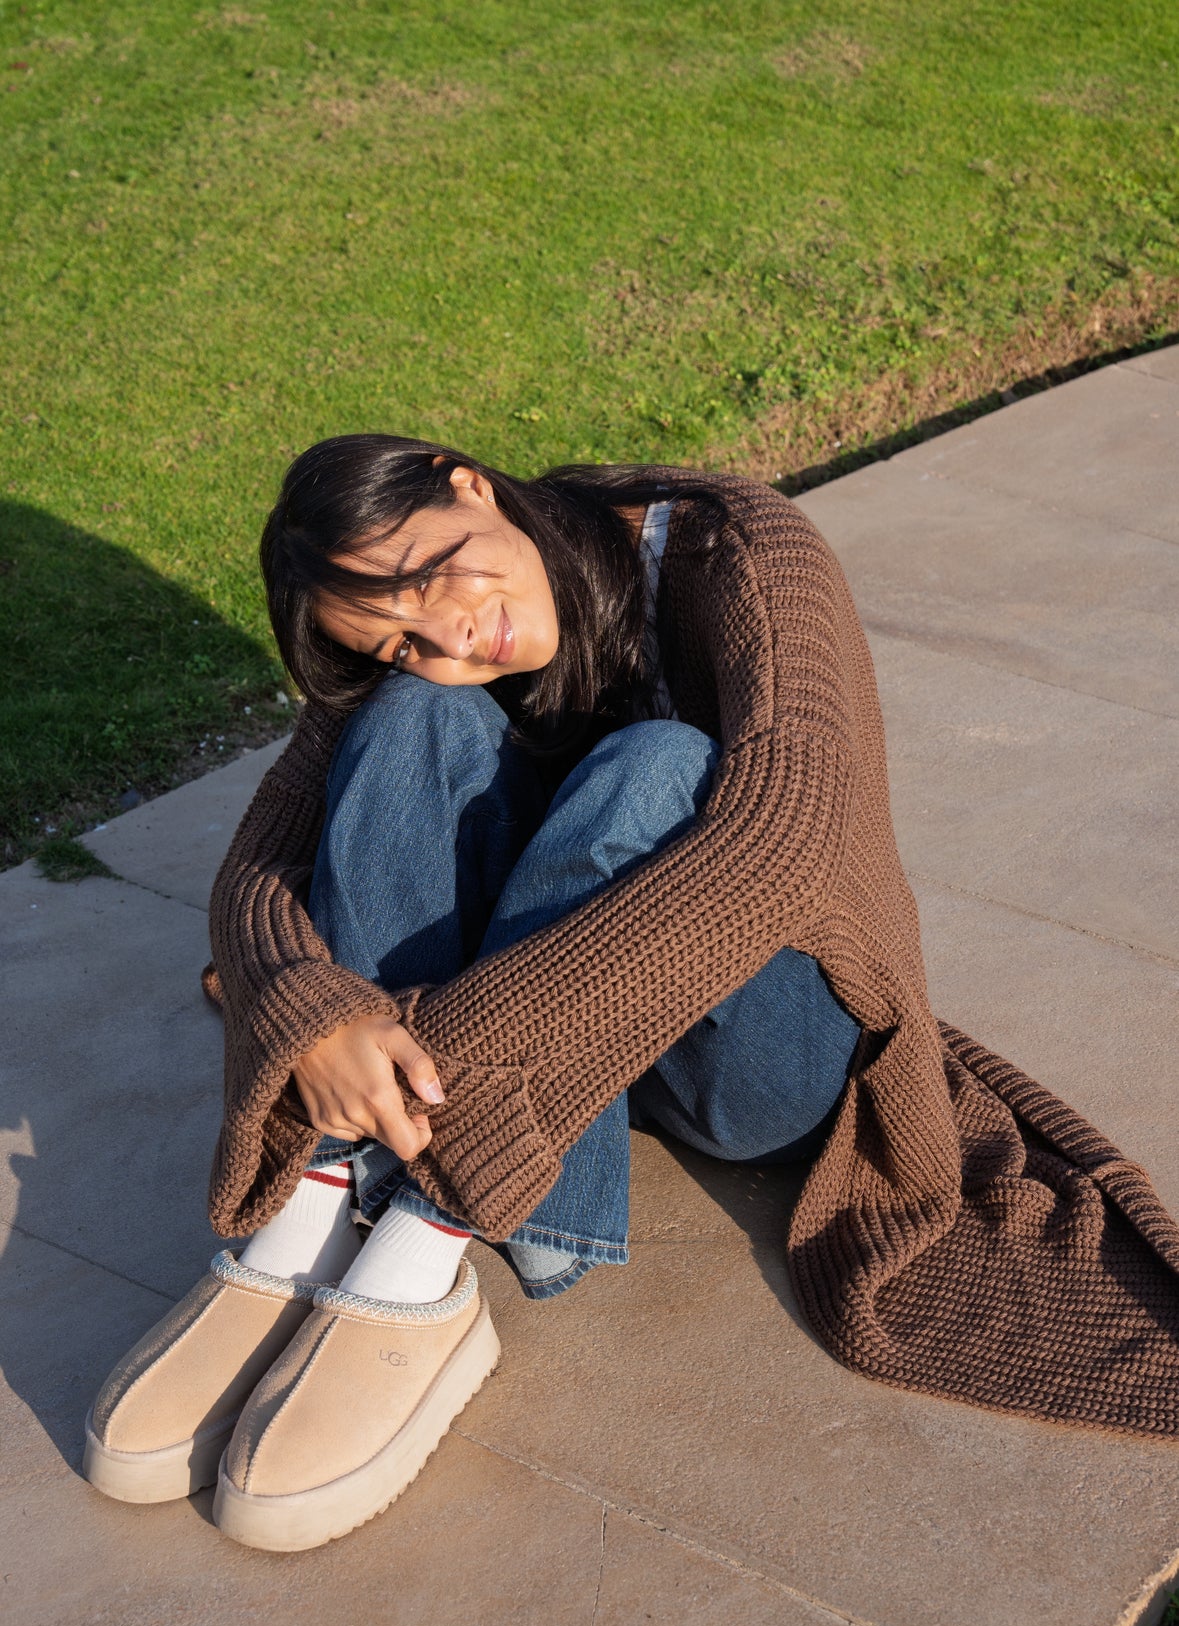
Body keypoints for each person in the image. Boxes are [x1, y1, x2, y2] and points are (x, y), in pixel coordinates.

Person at [82, 436, 1179, 1551]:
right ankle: (312, 1209)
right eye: (403, 633)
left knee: (658, 765)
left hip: (752, 1055)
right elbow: (259, 865)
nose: (453, 634)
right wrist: (307, 1010)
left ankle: (435, 1225)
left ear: (467, 482)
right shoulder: (425, 655)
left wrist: (410, 1042)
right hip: (551, 1044)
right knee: (403, 723)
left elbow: (778, 842)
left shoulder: (744, 556)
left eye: (431, 577)